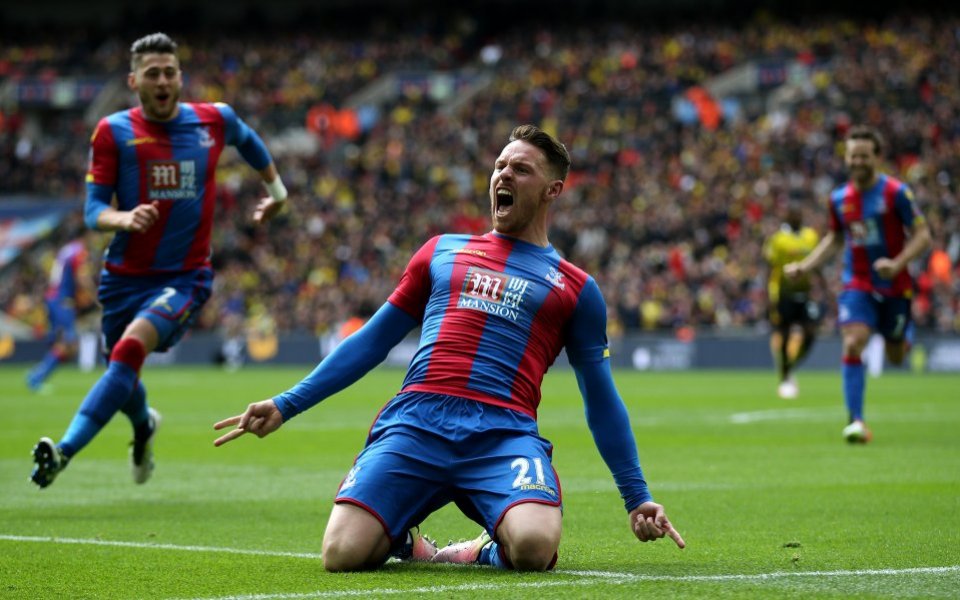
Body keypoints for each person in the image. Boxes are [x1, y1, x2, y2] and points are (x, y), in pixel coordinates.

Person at [213, 125, 685, 572]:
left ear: (552, 191)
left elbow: (600, 396)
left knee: (533, 547)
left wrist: (635, 495)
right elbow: (375, 338)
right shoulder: (441, 250)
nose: (504, 174)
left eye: (521, 169)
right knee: (341, 553)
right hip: (417, 421)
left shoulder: (576, 288)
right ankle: (405, 540)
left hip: (503, 431)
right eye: (501, 165)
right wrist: (287, 403)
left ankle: (480, 551)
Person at [30, 32, 290, 488]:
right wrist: (124, 217)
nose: (163, 80)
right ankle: (143, 426)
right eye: (153, 73)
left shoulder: (214, 121)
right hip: (123, 278)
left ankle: (64, 452)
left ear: (180, 77)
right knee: (121, 369)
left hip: (184, 277)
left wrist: (278, 194)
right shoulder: (113, 132)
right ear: (134, 81)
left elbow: (249, 142)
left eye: (171, 72)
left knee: (128, 350)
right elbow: (93, 211)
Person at [785, 125, 931, 443]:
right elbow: (835, 238)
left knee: (895, 356)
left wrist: (897, 264)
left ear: (876, 157)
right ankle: (856, 421)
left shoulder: (896, 193)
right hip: (858, 282)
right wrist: (805, 266)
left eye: (864, 155)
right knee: (853, 341)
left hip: (896, 285)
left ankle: (902, 334)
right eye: (853, 156)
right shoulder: (839, 199)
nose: (858, 161)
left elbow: (923, 235)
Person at [762, 200, 823, 399]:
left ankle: (791, 364)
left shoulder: (811, 236)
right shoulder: (778, 239)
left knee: (811, 332)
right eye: (793, 213)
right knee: (785, 333)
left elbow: (817, 263)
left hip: (805, 293)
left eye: (799, 213)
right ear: (787, 216)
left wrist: (821, 287)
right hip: (784, 292)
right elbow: (771, 268)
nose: (797, 216)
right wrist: (770, 293)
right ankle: (786, 376)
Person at [26, 227, 98, 392]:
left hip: (52, 298)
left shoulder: (66, 250)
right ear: (85, 235)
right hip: (63, 300)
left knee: (63, 343)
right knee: (70, 343)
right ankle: (36, 377)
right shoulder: (79, 251)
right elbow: (82, 277)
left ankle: (37, 374)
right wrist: (95, 296)